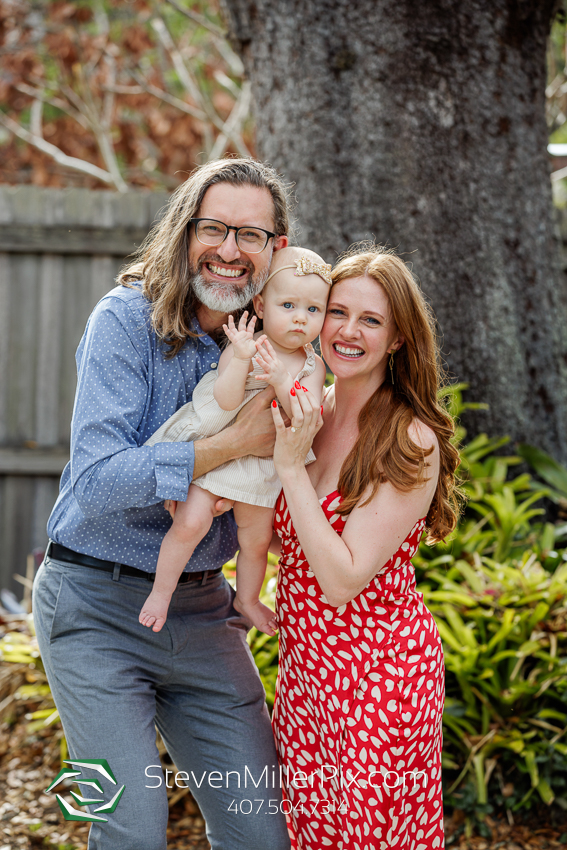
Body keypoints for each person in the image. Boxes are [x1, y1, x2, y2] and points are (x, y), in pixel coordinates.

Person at [32, 158, 293, 850]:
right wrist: (229, 443)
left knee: (260, 834)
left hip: (205, 613)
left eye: (250, 234)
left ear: (277, 250)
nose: (230, 251)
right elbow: (98, 483)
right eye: (213, 228)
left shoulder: (280, 344)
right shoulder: (125, 322)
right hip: (93, 608)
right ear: (184, 234)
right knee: (133, 831)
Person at [269, 247, 461, 850]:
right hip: (306, 675)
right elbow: (287, 539)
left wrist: (290, 471)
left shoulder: (409, 436)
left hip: (377, 678)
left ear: (399, 336)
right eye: (338, 312)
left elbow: (343, 577)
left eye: (371, 320)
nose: (348, 332)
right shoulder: (313, 413)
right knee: (309, 836)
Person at [139, 246, 330, 635]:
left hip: (261, 466)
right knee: (190, 522)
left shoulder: (313, 364)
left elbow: (306, 415)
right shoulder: (247, 344)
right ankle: (161, 592)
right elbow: (225, 400)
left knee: (256, 541)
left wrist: (281, 382)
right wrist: (242, 358)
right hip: (218, 447)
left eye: (314, 310)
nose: (300, 318)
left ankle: (246, 598)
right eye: (289, 305)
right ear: (260, 305)